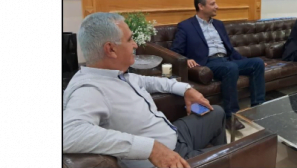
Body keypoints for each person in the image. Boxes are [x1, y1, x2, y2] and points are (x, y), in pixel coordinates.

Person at [63, 13, 226, 168]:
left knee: (217, 113)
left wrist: (187, 90)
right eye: (129, 39)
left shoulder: (117, 74)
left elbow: (151, 81)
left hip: (174, 135)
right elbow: (68, 134)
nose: (135, 44)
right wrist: (151, 148)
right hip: (167, 159)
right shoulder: (90, 89)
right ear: (111, 49)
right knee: (236, 153)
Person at [171, 0, 266, 131]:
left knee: (257, 63)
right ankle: (230, 116)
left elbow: (230, 50)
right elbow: (175, 51)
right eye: (213, 4)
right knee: (231, 68)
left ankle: (258, 108)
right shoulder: (186, 26)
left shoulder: (219, 25)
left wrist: (246, 60)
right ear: (201, 6)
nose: (217, 6)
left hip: (227, 59)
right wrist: (186, 60)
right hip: (209, 63)